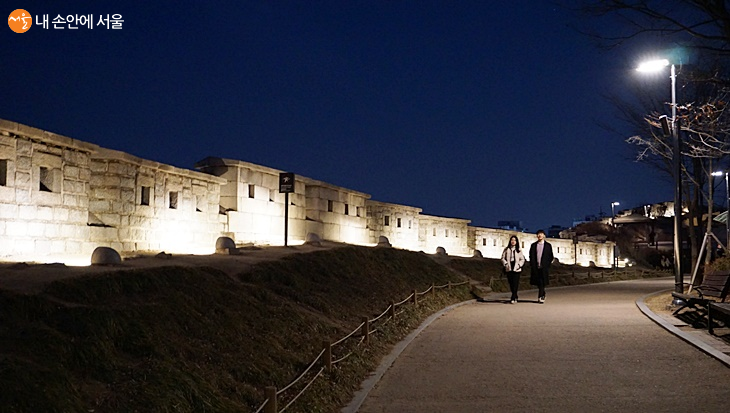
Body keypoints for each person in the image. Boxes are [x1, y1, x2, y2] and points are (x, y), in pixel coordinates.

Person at [529, 229, 554, 304]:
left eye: (541, 234)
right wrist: (532, 264)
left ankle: (541, 296)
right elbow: (531, 255)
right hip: (536, 267)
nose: (539, 235)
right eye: (538, 234)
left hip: (544, 267)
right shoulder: (533, 245)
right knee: (539, 282)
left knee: (542, 281)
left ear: (544, 235)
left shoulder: (548, 245)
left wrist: (547, 264)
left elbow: (550, 256)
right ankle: (542, 294)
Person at [501, 235, 526, 304]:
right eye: (512, 240)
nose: (513, 241)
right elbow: (503, 258)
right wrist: (505, 264)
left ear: (516, 242)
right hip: (509, 267)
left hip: (516, 268)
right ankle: (515, 295)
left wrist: (519, 265)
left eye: (514, 240)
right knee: (511, 283)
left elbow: (522, 259)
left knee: (515, 283)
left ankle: (513, 297)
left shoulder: (519, 250)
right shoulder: (506, 249)